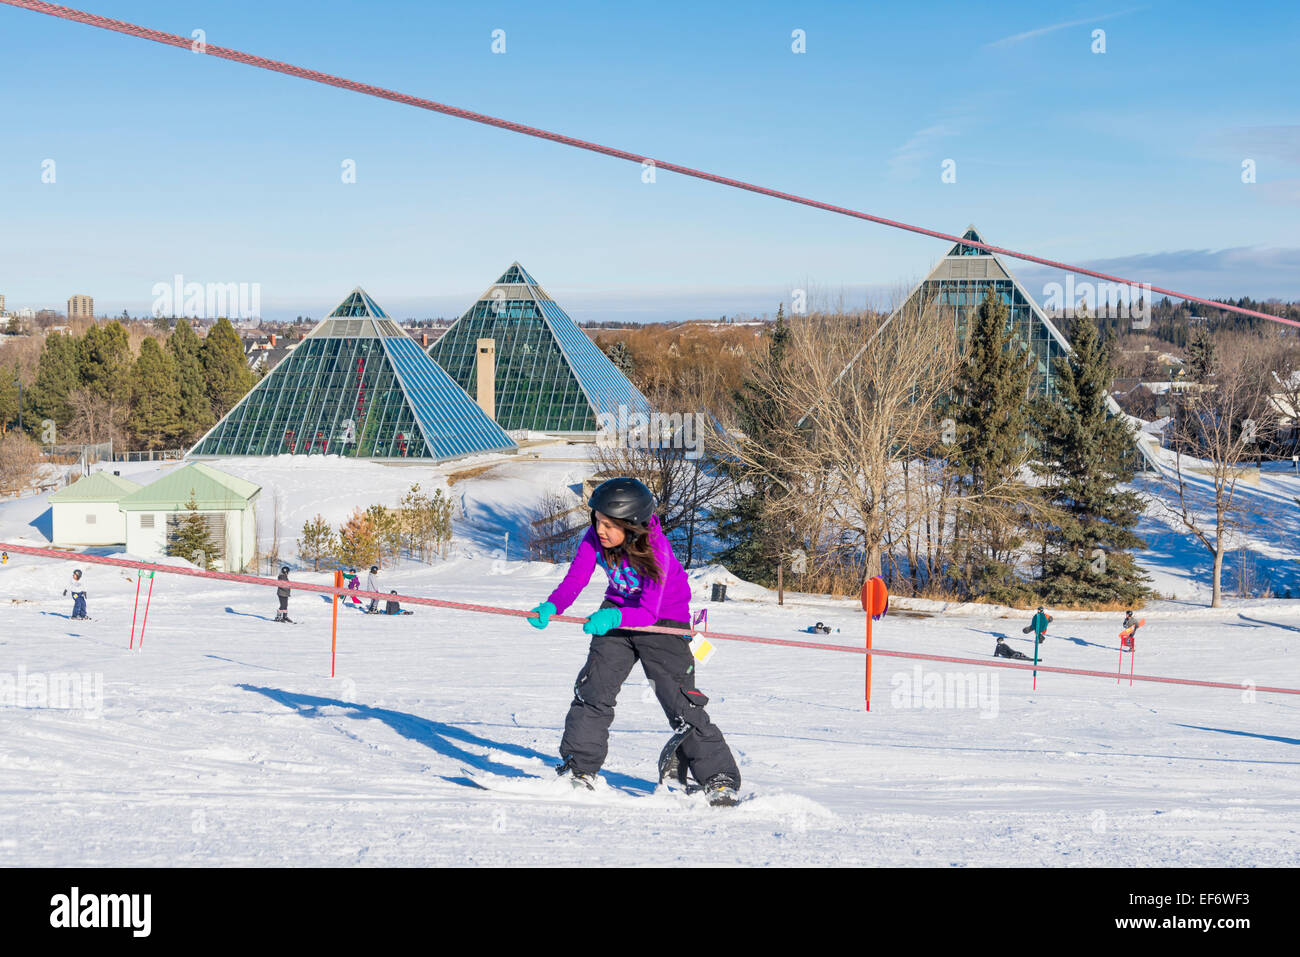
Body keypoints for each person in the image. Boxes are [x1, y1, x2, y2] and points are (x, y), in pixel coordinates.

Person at [528, 477, 742, 807]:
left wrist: (613, 618)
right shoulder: (595, 539)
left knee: (681, 703)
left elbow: (647, 611)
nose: (600, 530)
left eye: (610, 525)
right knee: (593, 691)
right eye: (598, 521)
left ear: (634, 526)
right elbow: (576, 578)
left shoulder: (657, 550)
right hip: (616, 612)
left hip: (663, 622)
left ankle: (718, 776)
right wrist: (553, 606)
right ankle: (579, 769)